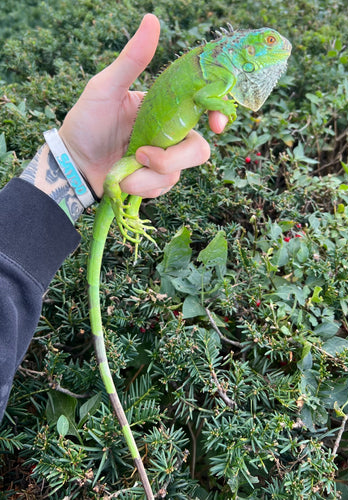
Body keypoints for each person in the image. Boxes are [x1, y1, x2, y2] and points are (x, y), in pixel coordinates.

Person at [0, 14, 227, 421]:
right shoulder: (216, 76)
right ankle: (126, 216)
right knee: (127, 186)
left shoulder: (218, 74)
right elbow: (212, 100)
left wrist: (74, 162)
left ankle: (127, 214)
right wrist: (117, 204)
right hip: (120, 172)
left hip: (112, 164)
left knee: (136, 176)